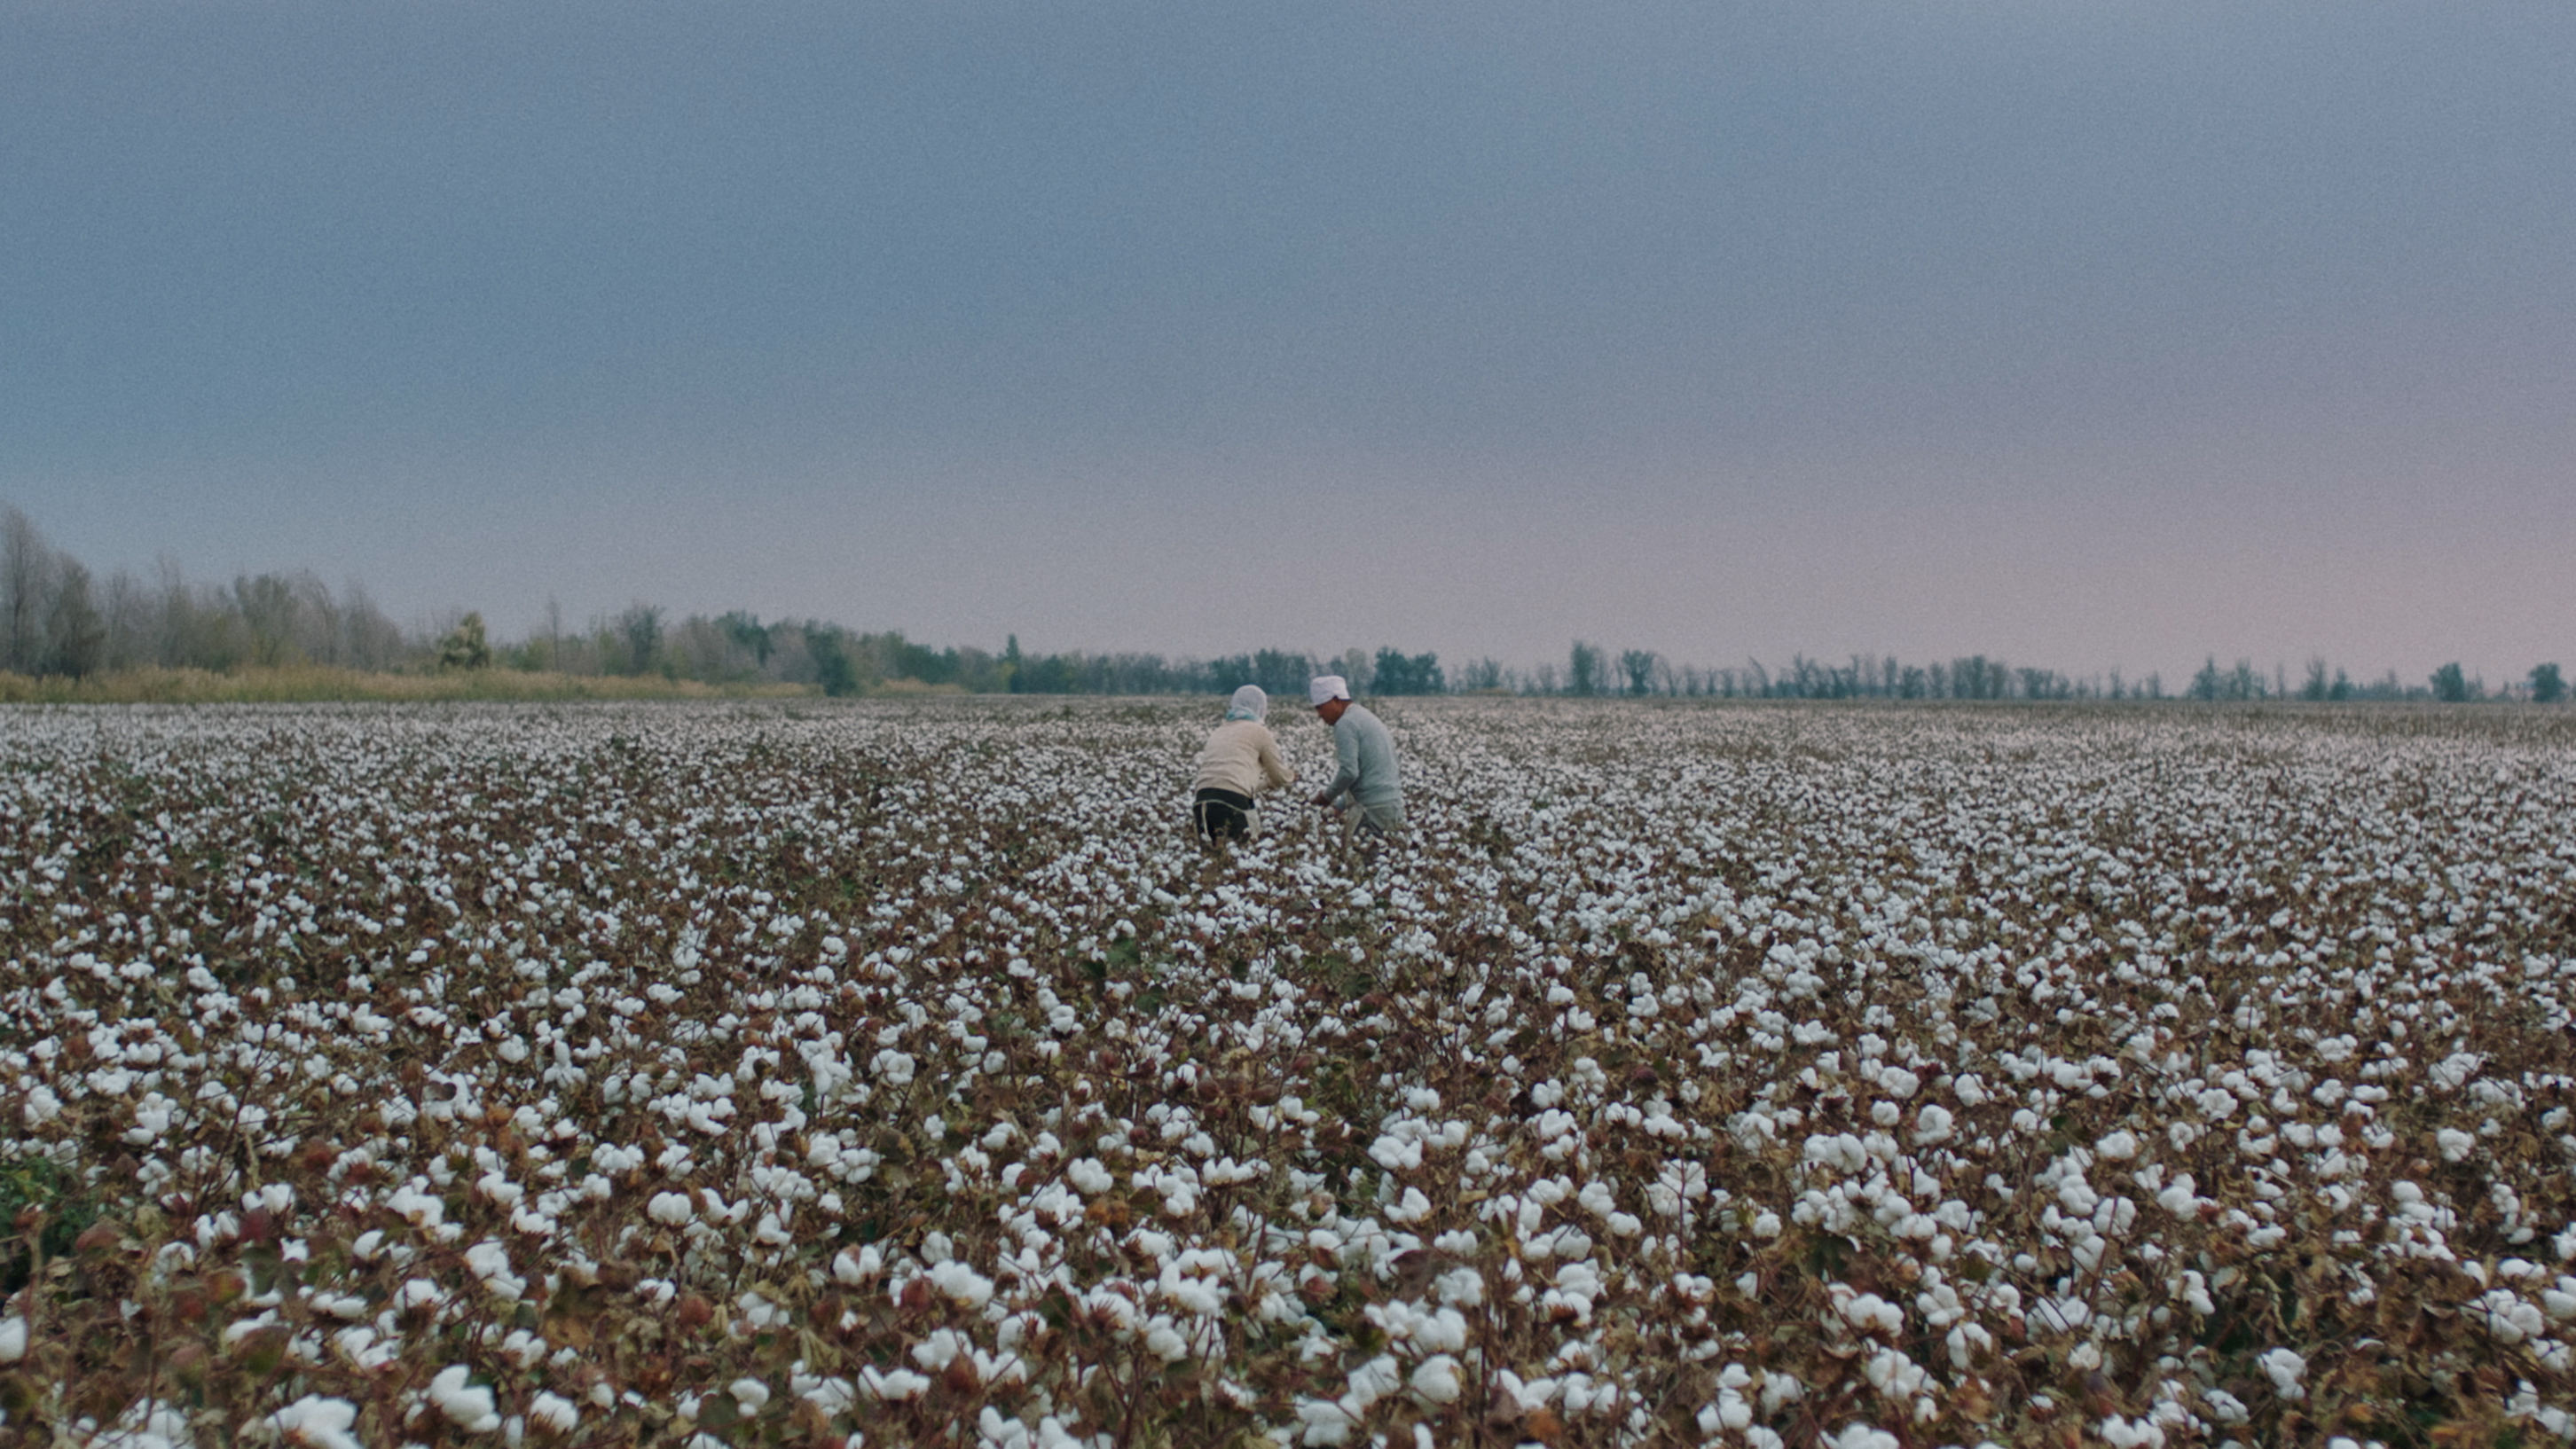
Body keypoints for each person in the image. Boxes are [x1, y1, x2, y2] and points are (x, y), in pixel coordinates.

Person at [1190, 685, 1297, 842]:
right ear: (1261, 707)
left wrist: (1267, 783)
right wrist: (1292, 776)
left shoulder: (1219, 731)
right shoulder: (1260, 732)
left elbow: (1232, 783)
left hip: (1201, 801)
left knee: (1213, 855)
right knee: (1244, 851)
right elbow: (1280, 776)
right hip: (1233, 802)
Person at [1308, 675, 1404, 841]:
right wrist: (1340, 805)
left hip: (1372, 810)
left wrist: (1326, 797)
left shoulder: (1345, 723)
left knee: (1367, 861)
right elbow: (1370, 771)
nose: (1319, 715)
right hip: (1392, 806)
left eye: (1321, 707)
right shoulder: (1365, 717)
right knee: (1386, 859)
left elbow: (1349, 772)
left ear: (1336, 700)